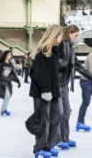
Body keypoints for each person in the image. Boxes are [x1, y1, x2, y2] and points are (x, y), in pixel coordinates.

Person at [56, 24, 92, 148]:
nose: (76, 38)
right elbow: (57, 63)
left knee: (66, 111)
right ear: (69, 33)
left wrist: (91, 76)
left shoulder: (70, 47)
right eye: (75, 35)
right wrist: (66, 63)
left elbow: (77, 65)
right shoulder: (61, 44)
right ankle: (58, 140)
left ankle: (65, 138)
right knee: (59, 112)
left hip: (64, 84)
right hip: (57, 83)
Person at [29, 24, 64, 158]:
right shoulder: (44, 51)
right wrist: (45, 90)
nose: (61, 37)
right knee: (44, 119)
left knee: (58, 115)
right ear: (55, 35)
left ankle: (49, 144)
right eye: (60, 34)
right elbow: (36, 73)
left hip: (53, 91)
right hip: (42, 92)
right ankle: (39, 147)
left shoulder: (54, 50)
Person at [0, 50, 21, 117]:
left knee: (7, 96)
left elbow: (13, 73)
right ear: (5, 55)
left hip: (7, 83)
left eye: (11, 55)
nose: (10, 56)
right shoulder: (2, 64)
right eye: (9, 54)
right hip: (0, 82)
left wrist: (18, 81)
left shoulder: (10, 64)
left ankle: (4, 110)